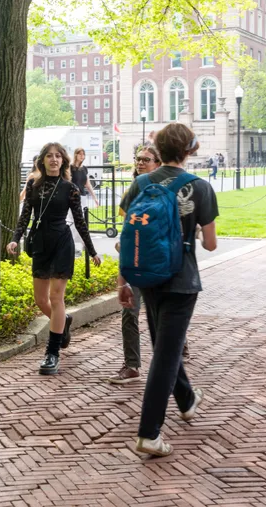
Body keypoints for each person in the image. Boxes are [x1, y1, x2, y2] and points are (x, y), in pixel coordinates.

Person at [118, 123, 218, 457]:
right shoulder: (199, 187)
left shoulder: (141, 182)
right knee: (165, 355)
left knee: (164, 345)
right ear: (188, 151)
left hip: (147, 276)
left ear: (158, 150)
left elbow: (127, 235)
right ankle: (149, 433)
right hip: (181, 279)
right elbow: (212, 243)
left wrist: (124, 282)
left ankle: (187, 399)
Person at [6, 142, 102, 376]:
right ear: (42, 160)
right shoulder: (33, 185)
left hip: (62, 244)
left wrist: (92, 251)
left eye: (58, 156)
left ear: (63, 161)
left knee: (56, 296)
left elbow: (80, 222)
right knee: (40, 300)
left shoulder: (70, 188)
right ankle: (63, 322)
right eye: (49, 156)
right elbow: (25, 215)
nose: (54, 159)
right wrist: (15, 239)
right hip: (40, 244)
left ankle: (52, 352)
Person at [107, 144, 161, 384]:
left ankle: (178, 348)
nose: (140, 163)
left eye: (146, 159)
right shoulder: (133, 189)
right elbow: (128, 225)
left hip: (158, 262)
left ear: (157, 164)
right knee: (129, 312)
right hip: (134, 260)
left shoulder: (164, 190)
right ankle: (132, 365)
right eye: (138, 159)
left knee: (161, 312)